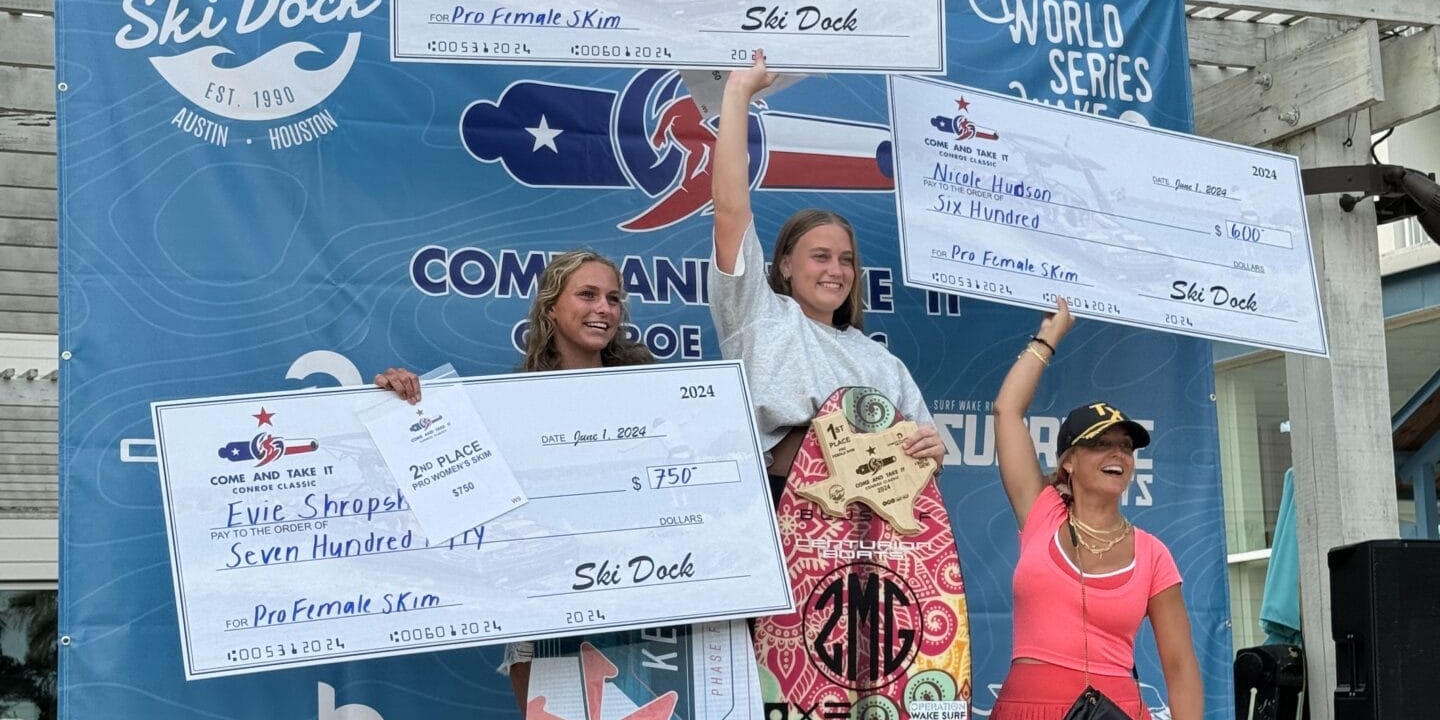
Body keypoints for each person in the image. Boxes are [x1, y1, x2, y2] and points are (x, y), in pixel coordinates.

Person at [374, 249, 654, 715]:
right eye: (587, 295)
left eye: (613, 298)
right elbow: (450, 483)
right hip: (543, 607)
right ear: (551, 308)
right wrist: (401, 404)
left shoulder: (655, 391)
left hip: (643, 599)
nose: (603, 308)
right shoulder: (507, 405)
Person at [708, 49, 945, 489]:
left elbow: (923, 462)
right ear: (784, 265)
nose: (835, 269)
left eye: (847, 259)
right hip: (779, 507)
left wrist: (931, 451)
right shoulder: (757, 315)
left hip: (867, 528)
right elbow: (730, 208)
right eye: (820, 256)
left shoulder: (882, 362)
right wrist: (738, 92)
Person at [989, 298, 1202, 720]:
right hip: (1026, 710)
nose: (1117, 454)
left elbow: (1180, 668)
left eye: (1125, 446)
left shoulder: (1153, 554)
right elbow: (1007, 411)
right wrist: (1048, 338)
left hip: (1114, 711)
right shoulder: (1041, 513)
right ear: (1068, 461)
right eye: (1100, 444)